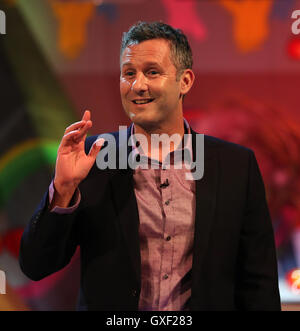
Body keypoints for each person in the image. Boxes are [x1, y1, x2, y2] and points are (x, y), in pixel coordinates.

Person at [19, 21, 281, 311]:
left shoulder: (235, 166)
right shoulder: (92, 157)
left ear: (185, 81)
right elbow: (36, 265)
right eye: (128, 73)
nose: (138, 85)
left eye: (152, 72)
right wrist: (63, 188)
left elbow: (258, 283)